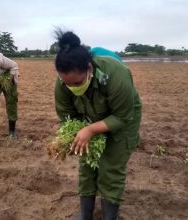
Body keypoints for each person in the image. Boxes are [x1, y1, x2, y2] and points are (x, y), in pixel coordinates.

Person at [54, 31, 142, 219]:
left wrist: (91, 129)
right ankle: (85, 214)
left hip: (122, 118)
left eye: (77, 83)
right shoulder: (64, 82)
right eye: (67, 84)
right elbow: (66, 116)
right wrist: (74, 134)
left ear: (88, 68)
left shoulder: (115, 73)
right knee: (87, 163)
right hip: (88, 117)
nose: (72, 88)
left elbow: (122, 116)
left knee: (111, 166)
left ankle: (110, 216)